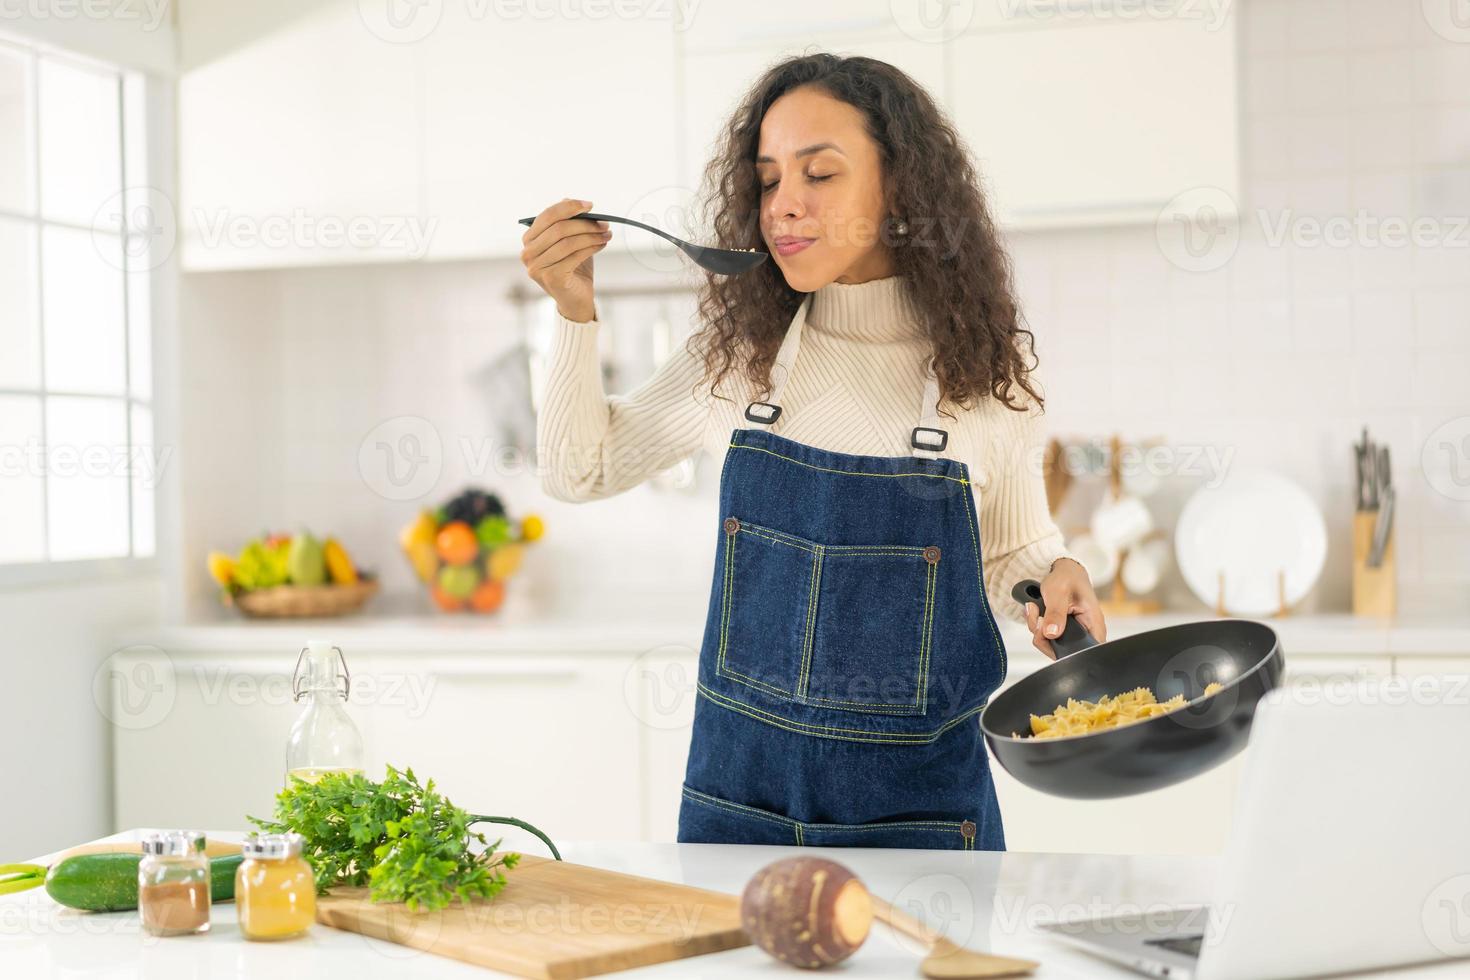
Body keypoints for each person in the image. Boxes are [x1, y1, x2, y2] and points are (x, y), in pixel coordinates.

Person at [519, 53, 1105, 849]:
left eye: (819, 175)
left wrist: (1053, 579)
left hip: (921, 821)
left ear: (900, 187)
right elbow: (575, 471)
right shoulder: (736, 357)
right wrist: (574, 311)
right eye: (767, 181)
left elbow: (1011, 552)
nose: (783, 206)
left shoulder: (983, 370)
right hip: (740, 808)